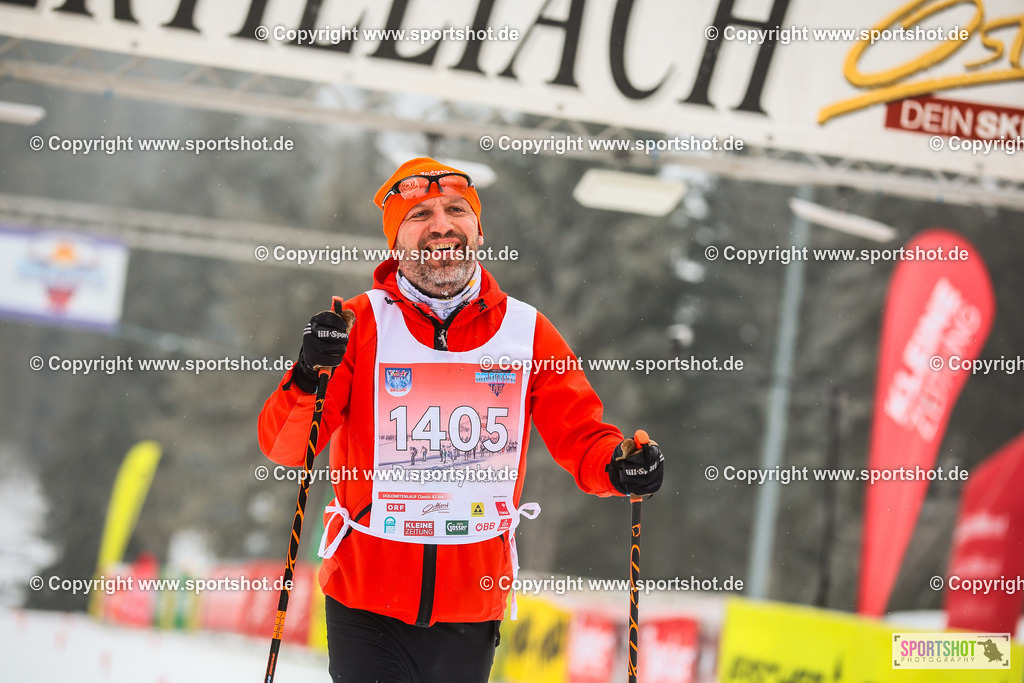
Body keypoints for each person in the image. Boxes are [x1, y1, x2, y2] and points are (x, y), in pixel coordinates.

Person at [258, 157, 665, 683]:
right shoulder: (358, 324)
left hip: (471, 605)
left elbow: (580, 433)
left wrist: (619, 466)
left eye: (455, 210)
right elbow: (287, 449)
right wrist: (310, 372)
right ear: (395, 240)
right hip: (366, 598)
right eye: (419, 214)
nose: (441, 225)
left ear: (478, 229)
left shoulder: (527, 332)